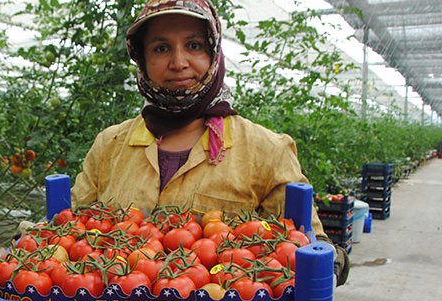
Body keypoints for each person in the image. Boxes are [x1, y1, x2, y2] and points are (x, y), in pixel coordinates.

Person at [70, 0, 349, 286]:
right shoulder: (110, 146)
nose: (178, 63)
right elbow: (68, 233)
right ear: (142, 59)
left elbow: (301, 243)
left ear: (214, 52)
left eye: (194, 46)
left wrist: (328, 259)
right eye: (161, 48)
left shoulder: (267, 150)